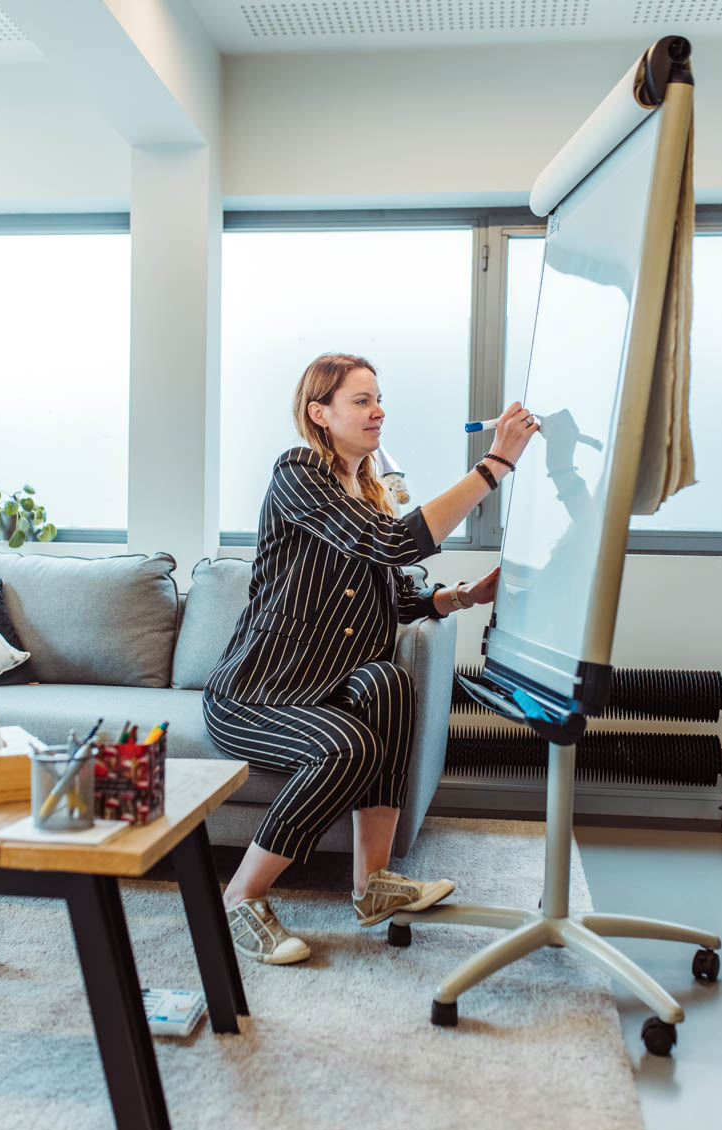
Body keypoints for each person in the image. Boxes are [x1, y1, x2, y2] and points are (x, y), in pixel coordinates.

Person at [203, 353, 539, 964]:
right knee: (346, 746)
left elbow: (394, 593)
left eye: (377, 398)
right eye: (360, 400)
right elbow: (390, 544)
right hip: (255, 694)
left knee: (388, 680)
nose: (377, 409)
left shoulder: (369, 492)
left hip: (322, 688)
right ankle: (239, 898)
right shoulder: (299, 470)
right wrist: (496, 464)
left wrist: (458, 596)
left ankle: (372, 887)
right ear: (320, 414)